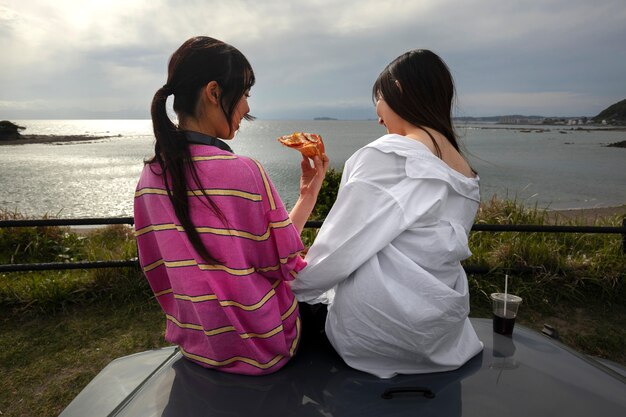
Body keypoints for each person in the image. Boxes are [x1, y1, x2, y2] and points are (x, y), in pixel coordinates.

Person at [134, 36, 328, 375]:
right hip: (267, 347)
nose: (247, 108)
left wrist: (306, 195)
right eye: (245, 93)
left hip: (200, 347)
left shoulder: (150, 177)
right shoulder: (243, 172)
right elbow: (283, 264)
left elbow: (157, 268)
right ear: (214, 92)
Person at [290, 49, 483, 378]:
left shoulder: (391, 154)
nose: (379, 118)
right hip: (440, 336)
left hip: (376, 333)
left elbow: (339, 249)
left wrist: (289, 284)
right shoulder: (465, 172)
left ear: (399, 89)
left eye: (378, 101)